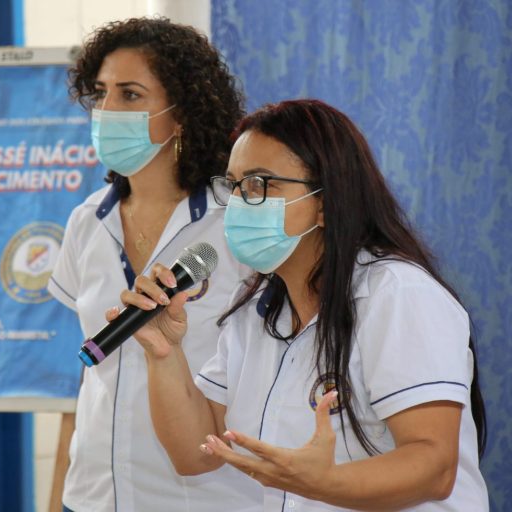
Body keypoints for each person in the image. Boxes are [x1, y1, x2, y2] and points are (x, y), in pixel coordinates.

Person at [114, 99, 489, 510]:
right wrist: (163, 353)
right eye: (234, 185)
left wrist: (324, 483)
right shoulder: (257, 310)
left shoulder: (397, 294)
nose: (239, 202)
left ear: (326, 203)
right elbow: (194, 452)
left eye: (259, 184)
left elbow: (434, 465)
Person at [47, 17, 255, 512]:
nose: (108, 110)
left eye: (131, 95)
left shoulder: (238, 223)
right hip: (94, 492)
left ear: (182, 111)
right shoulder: (86, 220)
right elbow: (92, 370)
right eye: (100, 93)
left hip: (207, 496)